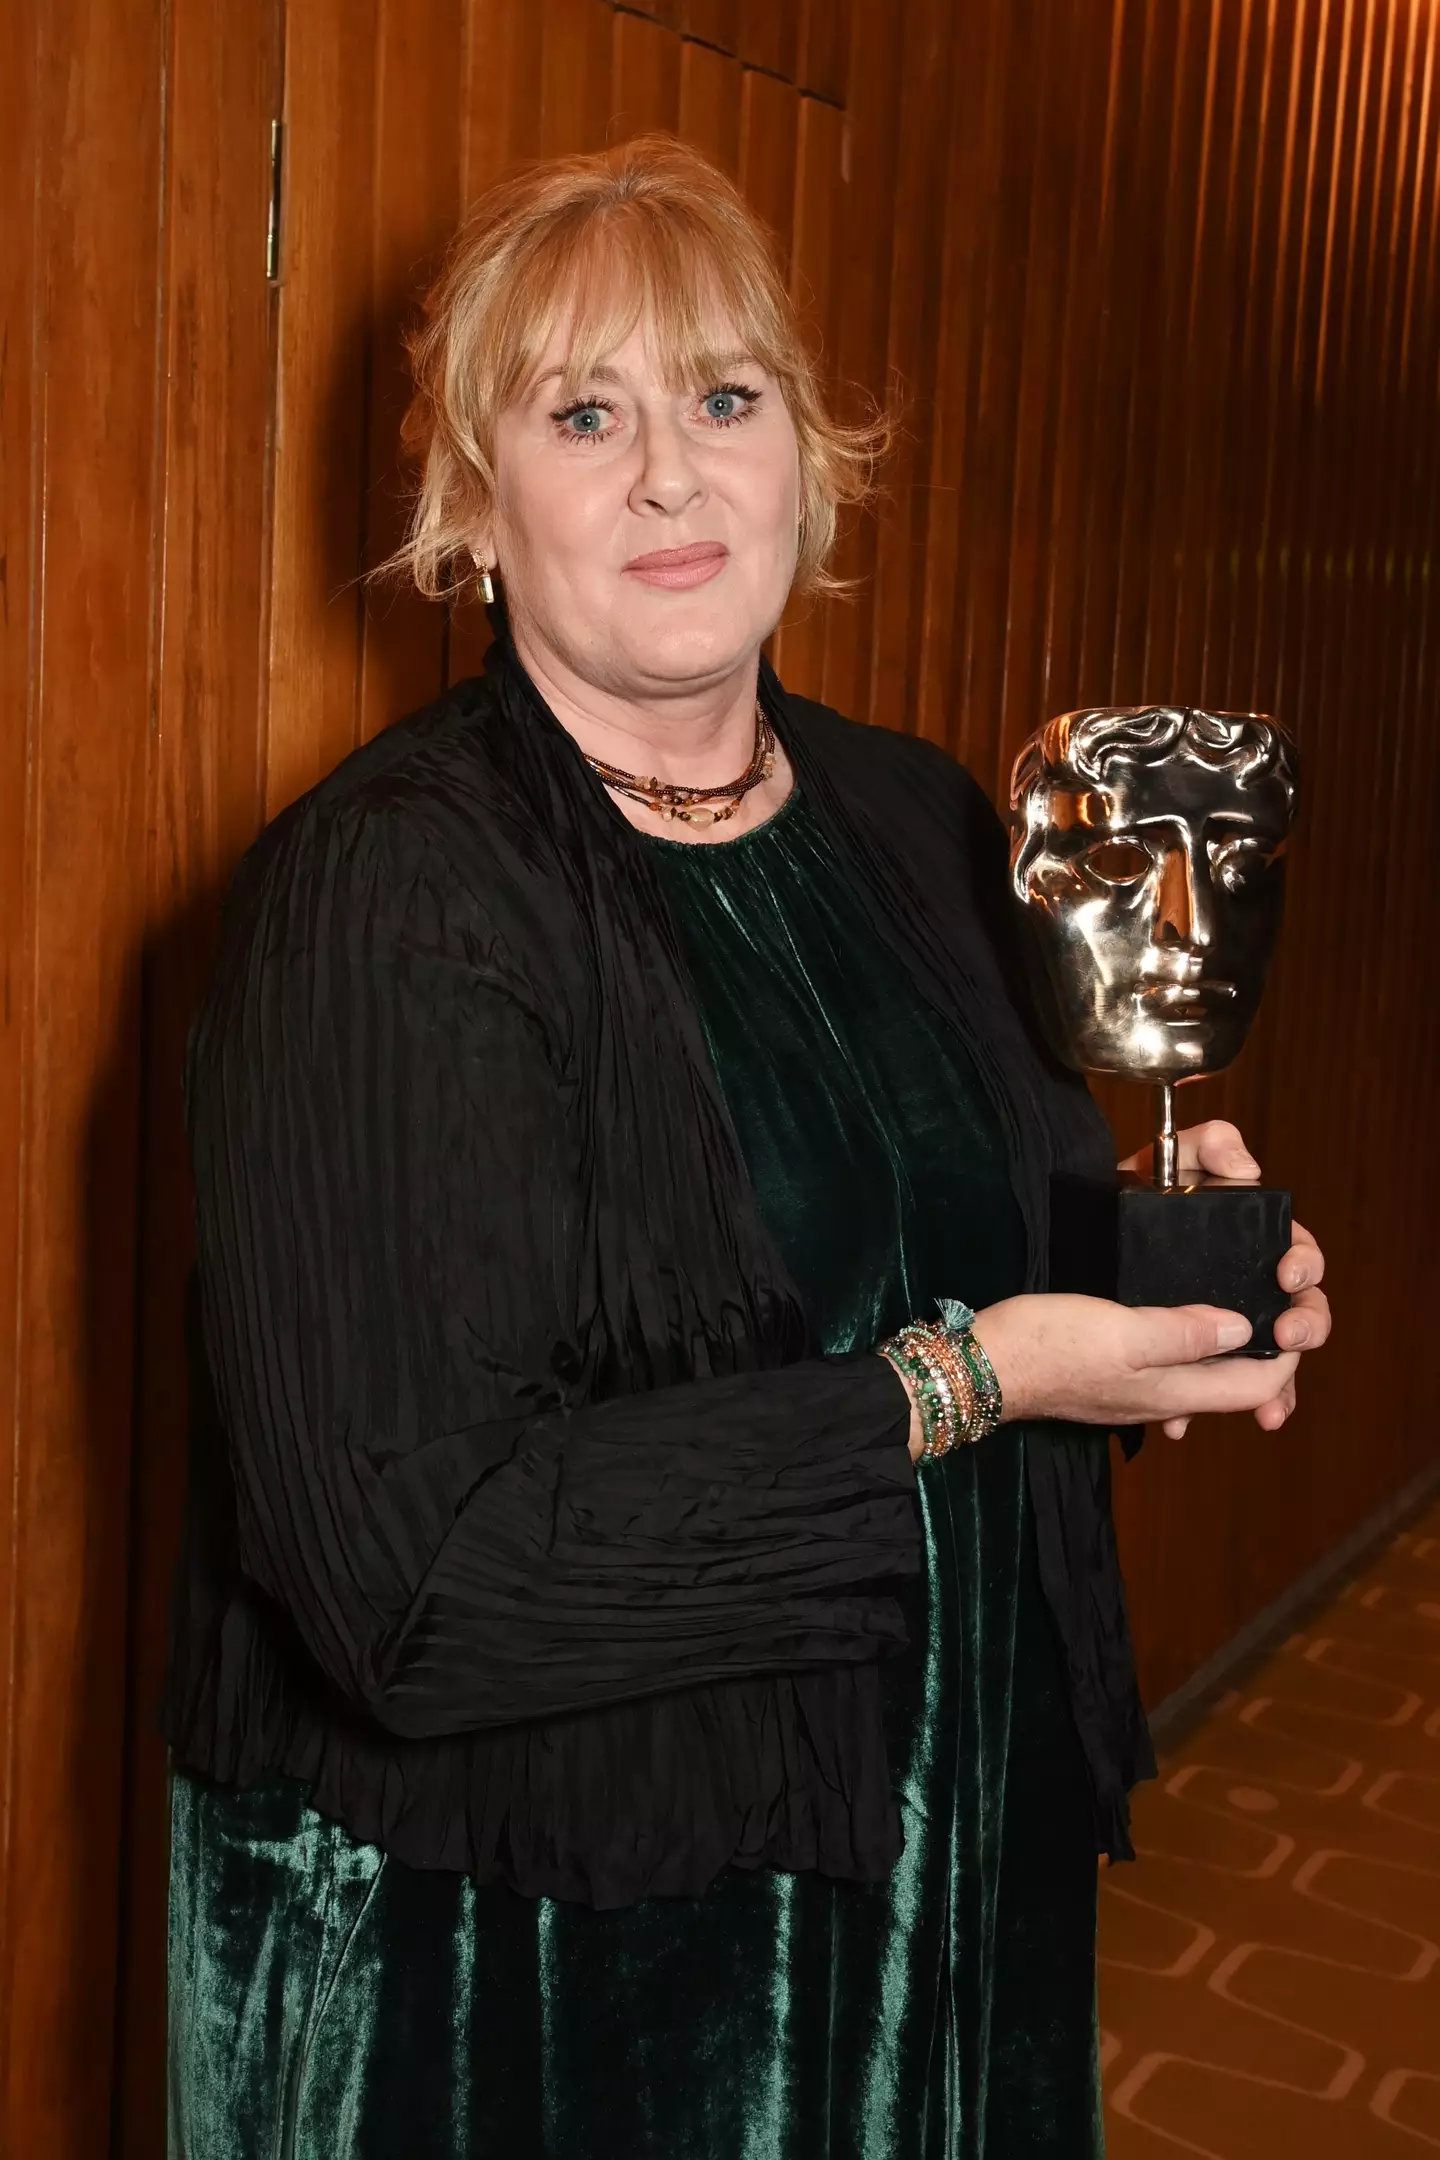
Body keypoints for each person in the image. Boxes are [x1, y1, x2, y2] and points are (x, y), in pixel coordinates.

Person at [163, 135, 1331, 2160]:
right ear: (473, 506)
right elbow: (413, 1583)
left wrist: (1170, 1313)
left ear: (810, 447)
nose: (672, 477)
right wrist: (977, 1378)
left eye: (724, 397)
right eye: (584, 415)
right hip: (567, 1945)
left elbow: (952, 1275)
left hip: (932, 1861)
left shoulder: (915, 824)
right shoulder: (387, 898)